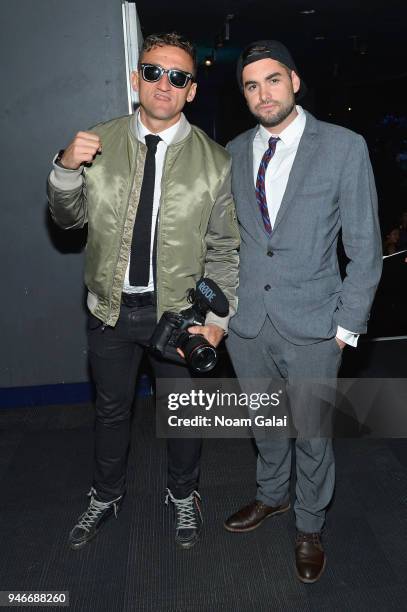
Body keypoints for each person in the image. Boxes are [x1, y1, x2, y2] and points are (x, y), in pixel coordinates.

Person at [47, 32, 239, 551]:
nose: (164, 84)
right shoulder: (97, 142)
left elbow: (224, 249)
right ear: (136, 79)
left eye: (178, 77)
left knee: (183, 416)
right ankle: (106, 495)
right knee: (111, 413)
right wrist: (65, 168)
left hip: (180, 317)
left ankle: (183, 495)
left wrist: (216, 324)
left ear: (191, 91)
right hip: (110, 312)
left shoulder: (217, 163)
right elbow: (66, 221)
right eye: (153, 72)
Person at [223, 40, 382, 583]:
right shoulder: (233, 150)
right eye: (251, 85)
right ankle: (272, 496)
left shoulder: (343, 147)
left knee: (313, 433)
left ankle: (310, 523)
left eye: (272, 80)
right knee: (265, 422)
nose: (262, 93)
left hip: (315, 325)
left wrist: (345, 329)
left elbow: (364, 245)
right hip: (247, 323)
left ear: (294, 81)